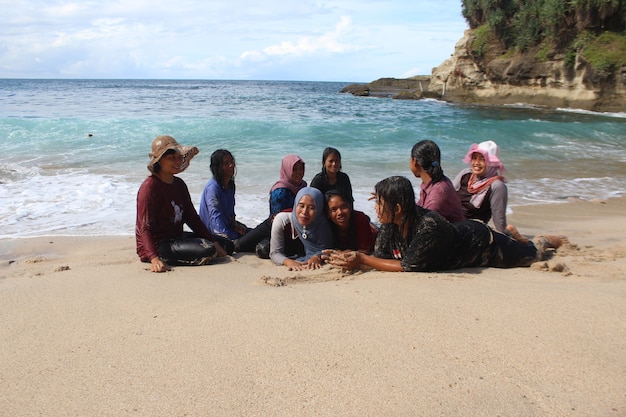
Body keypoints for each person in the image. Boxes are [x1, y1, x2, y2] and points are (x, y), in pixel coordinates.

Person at [323, 176, 566, 273]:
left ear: (397, 208)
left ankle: (546, 240)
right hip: (467, 238)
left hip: (484, 245)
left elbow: (408, 266)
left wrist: (362, 260)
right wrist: (353, 256)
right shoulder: (390, 224)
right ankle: (515, 236)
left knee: (532, 255)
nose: (375, 208)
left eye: (380, 203)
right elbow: (382, 255)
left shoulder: (429, 226)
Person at [135, 135, 230, 273]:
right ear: (159, 161)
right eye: (171, 158)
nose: (177, 161)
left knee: (225, 245)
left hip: (177, 237)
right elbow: (144, 228)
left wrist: (214, 241)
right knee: (208, 250)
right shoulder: (149, 188)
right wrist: (154, 258)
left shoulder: (179, 184)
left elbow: (192, 218)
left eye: (178, 157)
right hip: (157, 244)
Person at [234, 154, 306, 256]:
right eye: (295, 169)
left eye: (301, 169)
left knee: (263, 249)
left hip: (295, 231)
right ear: (287, 170)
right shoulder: (280, 191)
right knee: (238, 246)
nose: (299, 172)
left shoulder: (303, 186)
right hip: (274, 226)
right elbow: (276, 220)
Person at [270, 187, 333, 271]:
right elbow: (274, 253)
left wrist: (317, 257)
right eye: (301, 206)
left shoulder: (323, 225)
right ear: (295, 204)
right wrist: (288, 262)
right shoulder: (282, 220)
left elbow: (328, 250)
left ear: (319, 209)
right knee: (262, 247)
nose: (304, 212)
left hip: (295, 250)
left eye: (311, 208)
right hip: (268, 231)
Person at [453, 140, 508, 233]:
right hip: (453, 223)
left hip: (474, 231)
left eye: (482, 159)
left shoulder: (497, 186)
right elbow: (449, 197)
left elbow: (499, 218)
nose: (476, 163)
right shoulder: (465, 174)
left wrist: (504, 241)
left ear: (492, 163)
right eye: (474, 158)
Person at [199, 149, 249, 243]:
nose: (232, 165)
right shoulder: (213, 188)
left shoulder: (230, 185)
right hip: (213, 232)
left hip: (227, 226)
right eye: (226, 163)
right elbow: (215, 215)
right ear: (218, 167)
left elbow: (231, 210)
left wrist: (234, 225)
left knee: (249, 232)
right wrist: (227, 239)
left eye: (232, 161)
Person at [410, 140, 464, 223]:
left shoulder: (438, 192)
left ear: (414, 162)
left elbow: (426, 223)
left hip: (452, 234)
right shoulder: (434, 182)